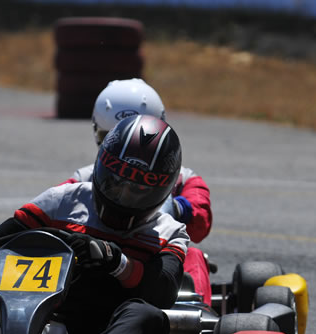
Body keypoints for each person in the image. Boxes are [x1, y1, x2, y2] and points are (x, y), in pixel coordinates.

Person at [0, 115, 188, 334]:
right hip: (34, 312)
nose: (123, 196)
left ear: (161, 189)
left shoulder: (168, 232)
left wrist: (116, 261)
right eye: (115, 184)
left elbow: (164, 292)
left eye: (137, 190)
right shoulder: (62, 201)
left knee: (148, 317)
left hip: (105, 328)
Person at [63, 78, 214, 304]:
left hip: (156, 262)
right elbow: (50, 214)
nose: (127, 148)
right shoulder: (83, 179)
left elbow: (200, 222)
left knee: (192, 255)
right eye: (114, 137)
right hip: (98, 260)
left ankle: (197, 311)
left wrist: (176, 206)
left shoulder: (183, 179)